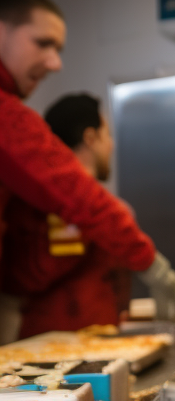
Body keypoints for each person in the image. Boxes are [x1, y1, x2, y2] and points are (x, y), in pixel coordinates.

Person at [0, 0, 175, 332]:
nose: (55, 63)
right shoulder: (7, 115)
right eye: (42, 43)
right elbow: (79, 197)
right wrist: (153, 266)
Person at [3, 94, 129, 335]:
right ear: (90, 138)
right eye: (107, 135)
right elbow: (41, 272)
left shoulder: (93, 207)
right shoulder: (61, 206)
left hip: (93, 337)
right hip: (58, 347)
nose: (111, 145)